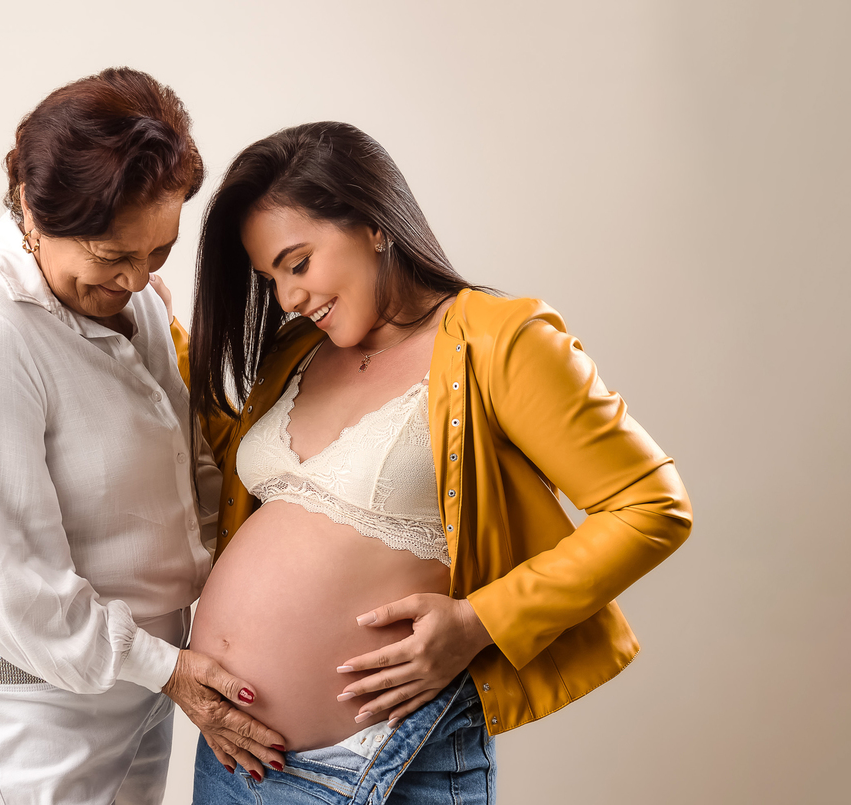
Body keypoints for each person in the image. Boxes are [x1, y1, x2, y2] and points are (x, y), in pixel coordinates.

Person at [184, 121, 694, 804]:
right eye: (270, 278)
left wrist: (478, 621)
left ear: (373, 224)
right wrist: (154, 329)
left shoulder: (501, 342)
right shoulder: (293, 355)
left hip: (377, 767)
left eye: (298, 263)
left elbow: (650, 506)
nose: (288, 299)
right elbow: (237, 473)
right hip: (233, 760)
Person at [0, 67, 284, 805]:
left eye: (158, 252)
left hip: (140, 677)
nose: (140, 282)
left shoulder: (129, 302)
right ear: (36, 213)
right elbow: (11, 582)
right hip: (33, 697)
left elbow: (186, 467)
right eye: (114, 257)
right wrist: (168, 669)